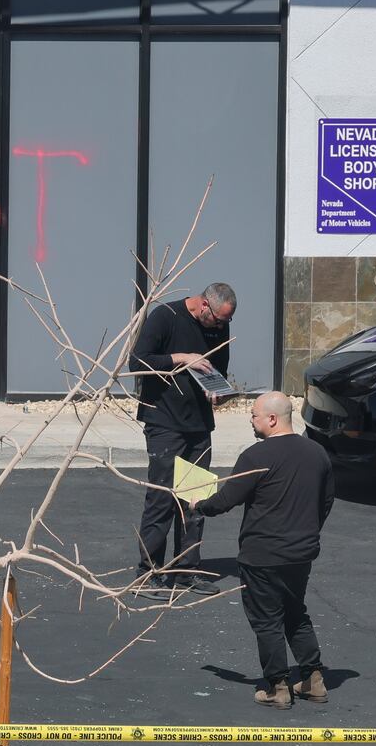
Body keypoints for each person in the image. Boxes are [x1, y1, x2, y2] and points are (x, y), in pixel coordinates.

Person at [193, 391, 334, 710]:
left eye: (254, 415)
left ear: (272, 419)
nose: (251, 420)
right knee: (296, 612)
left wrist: (198, 503)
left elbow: (225, 500)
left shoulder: (256, 456)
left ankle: (277, 686)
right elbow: (325, 501)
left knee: (267, 619)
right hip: (301, 552)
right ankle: (313, 678)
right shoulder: (317, 452)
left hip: (263, 554)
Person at [130, 283, 236, 595]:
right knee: (162, 498)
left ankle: (187, 570)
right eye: (217, 320)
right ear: (204, 305)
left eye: (226, 322)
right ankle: (148, 572)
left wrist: (218, 391)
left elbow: (219, 370)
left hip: (199, 425)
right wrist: (180, 357)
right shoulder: (166, 317)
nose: (220, 327)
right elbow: (138, 363)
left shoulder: (220, 327)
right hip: (164, 423)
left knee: (195, 500)